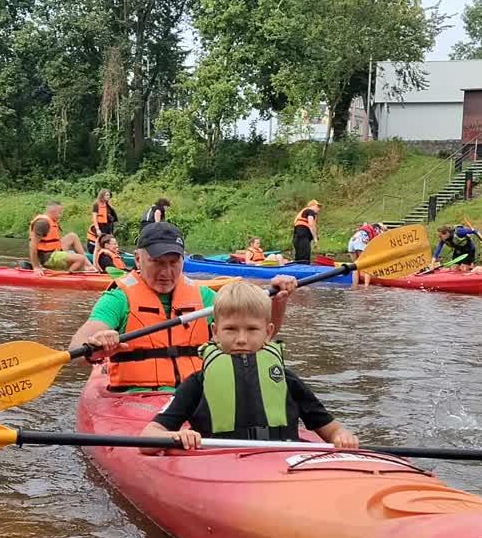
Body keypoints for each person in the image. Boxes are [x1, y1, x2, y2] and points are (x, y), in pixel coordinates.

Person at [69, 222, 298, 392]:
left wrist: (279, 300)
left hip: (195, 398)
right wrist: (96, 343)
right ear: (138, 260)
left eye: (173, 263)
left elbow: (258, 337)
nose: (166, 273)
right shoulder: (119, 298)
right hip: (135, 401)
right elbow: (79, 346)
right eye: (157, 262)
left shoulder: (205, 296)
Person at [140, 280, 359, 451]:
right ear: (215, 332)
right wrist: (176, 436)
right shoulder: (198, 383)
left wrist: (342, 436)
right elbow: (149, 436)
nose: (241, 339)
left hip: (279, 462)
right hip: (220, 463)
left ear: (268, 332)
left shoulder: (285, 379)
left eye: (252, 329)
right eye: (231, 329)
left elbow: (330, 428)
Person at [30, 201, 89, 272]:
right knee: (81, 259)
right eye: (60, 213)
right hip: (47, 257)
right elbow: (32, 245)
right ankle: (66, 274)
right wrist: (36, 267)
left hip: (54, 252)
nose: (61, 215)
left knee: (72, 236)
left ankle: (88, 264)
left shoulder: (50, 220)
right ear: (52, 211)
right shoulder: (42, 223)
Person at [347, 221, 382, 285]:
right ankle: (366, 287)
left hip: (352, 240)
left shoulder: (367, 227)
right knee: (367, 265)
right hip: (361, 240)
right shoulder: (378, 230)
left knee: (355, 266)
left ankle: (355, 286)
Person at [87, 189, 117, 254]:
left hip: (106, 228)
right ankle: (97, 252)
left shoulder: (109, 206)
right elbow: (94, 218)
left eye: (109, 195)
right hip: (99, 227)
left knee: (109, 242)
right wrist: (97, 229)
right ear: (102, 195)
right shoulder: (96, 205)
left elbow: (113, 220)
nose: (108, 196)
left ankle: (111, 253)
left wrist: (111, 232)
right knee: (100, 241)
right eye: (107, 195)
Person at [292, 199, 321, 263]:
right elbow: (311, 224)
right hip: (303, 238)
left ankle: (298, 269)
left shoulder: (304, 212)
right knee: (304, 259)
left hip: (297, 238)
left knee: (299, 258)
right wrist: (315, 238)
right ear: (312, 206)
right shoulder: (310, 211)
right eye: (317, 206)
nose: (319, 209)